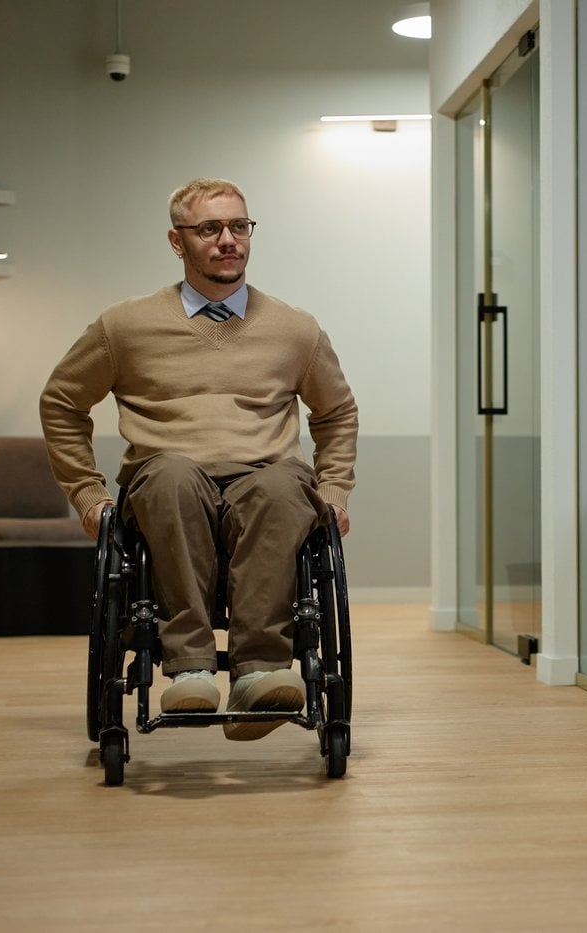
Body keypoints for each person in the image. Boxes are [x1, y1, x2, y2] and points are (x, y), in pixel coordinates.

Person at [39, 177, 358, 740]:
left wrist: (332, 491)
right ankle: (188, 669)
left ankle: (259, 671)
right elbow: (62, 401)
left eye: (239, 226)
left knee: (285, 486)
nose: (228, 240)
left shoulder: (296, 330)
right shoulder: (125, 326)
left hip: (264, 477)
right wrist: (88, 495)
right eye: (209, 228)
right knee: (172, 475)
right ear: (176, 240)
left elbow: (335, 414)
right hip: (165, 477)